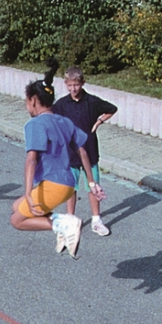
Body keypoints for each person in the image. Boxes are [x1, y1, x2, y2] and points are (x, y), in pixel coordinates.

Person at [9, 60, 104, 259]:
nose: (27, 106)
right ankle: (61, 227)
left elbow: (31, 161)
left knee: (17, 220)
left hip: (53, 185)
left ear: (34, 100)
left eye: (27, 101)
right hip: (68, 185)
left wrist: (27, 192)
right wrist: (92, 182)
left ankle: (64, 223)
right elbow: (83, 152)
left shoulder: (35, 124)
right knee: (16, 206)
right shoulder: (64, 121)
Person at [52, 66, 117, 237]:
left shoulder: (92, 102)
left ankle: (96, 220)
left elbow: (112, 108)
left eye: (77, 85)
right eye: (70, 85)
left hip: (90, 150)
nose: (73, 89)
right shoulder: (61, 105)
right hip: (70, 153)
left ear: (83, 83)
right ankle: (71, 220)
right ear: (65, 84)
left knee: (93, 184)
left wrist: (99, 122)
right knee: (70, 188)